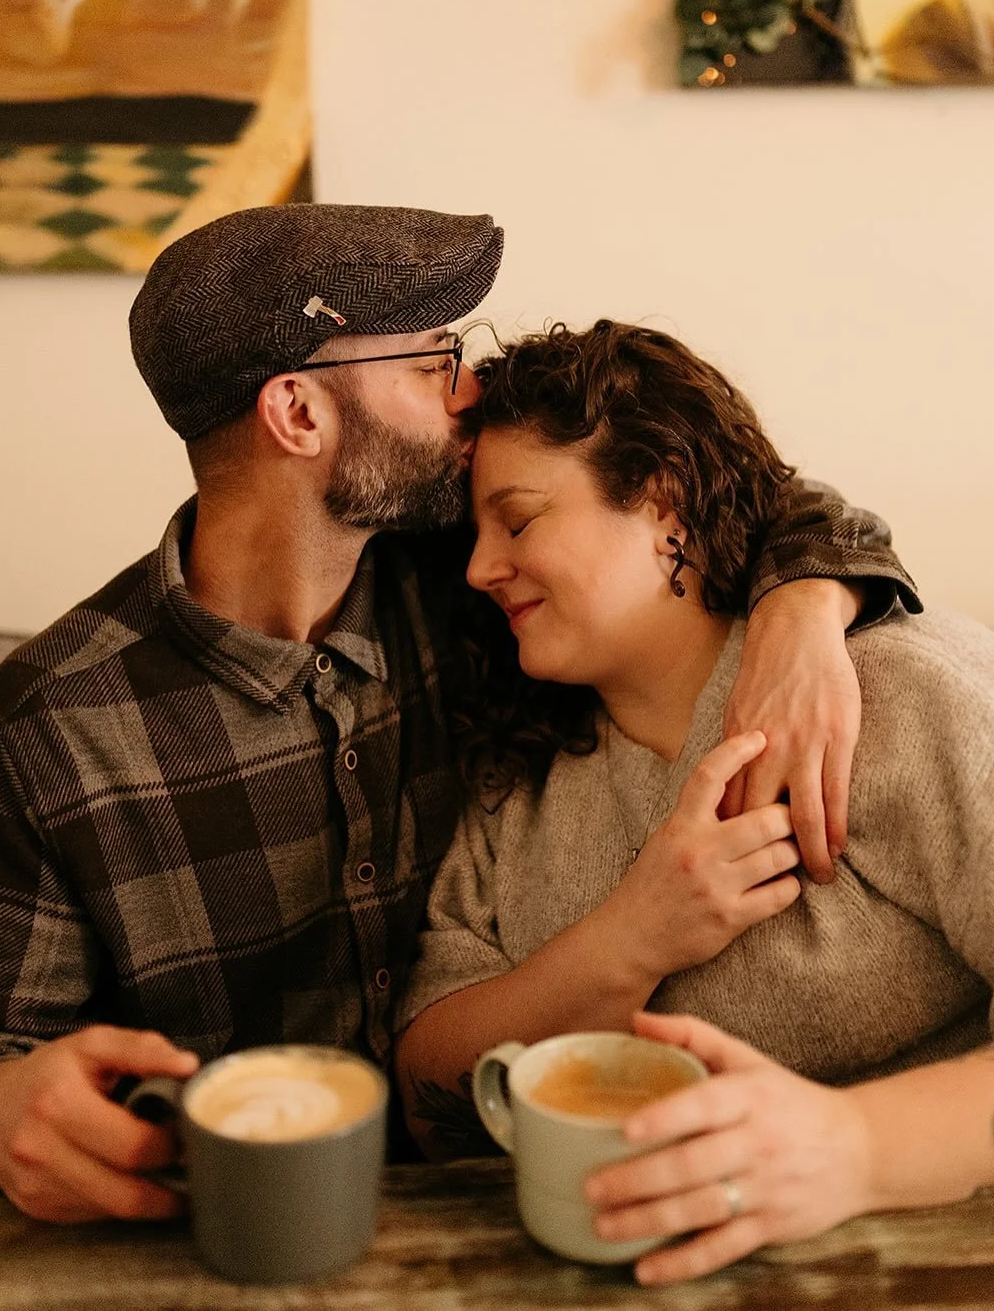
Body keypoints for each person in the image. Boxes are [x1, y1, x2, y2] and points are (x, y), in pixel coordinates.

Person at [0, 207, 916, 1223]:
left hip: (527, 1213)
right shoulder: (49, 729)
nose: (472, 390)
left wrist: (803, 608)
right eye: (433, 361)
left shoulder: (491, 587)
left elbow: (732, 488)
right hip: (229, 1238)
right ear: (299, 416)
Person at [395, 318, 994, 1285]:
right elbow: (431, 1105)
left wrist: (852, 1145)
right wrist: (634, 935)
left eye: (518, 519)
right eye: (471, 534)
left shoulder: (908, 700)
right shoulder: (518, 781)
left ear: (662, 498)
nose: (478, 567)